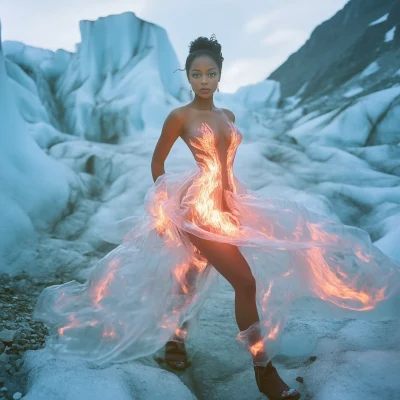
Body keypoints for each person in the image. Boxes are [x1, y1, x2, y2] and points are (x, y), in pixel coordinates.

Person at [33, 35, 400, 400]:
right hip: (198, 209)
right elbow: (157, 161)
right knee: (245, 281)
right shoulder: (180, 116)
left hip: (231, 204)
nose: (203, 80)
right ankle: (264, 372)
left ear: (220, 75)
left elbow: (227, 164)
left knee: (190, 276)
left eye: (210, 73)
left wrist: (231, 200)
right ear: (188, 78)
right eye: (196, 74)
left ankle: (175, 340)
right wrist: (165, 205)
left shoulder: (228, 116)